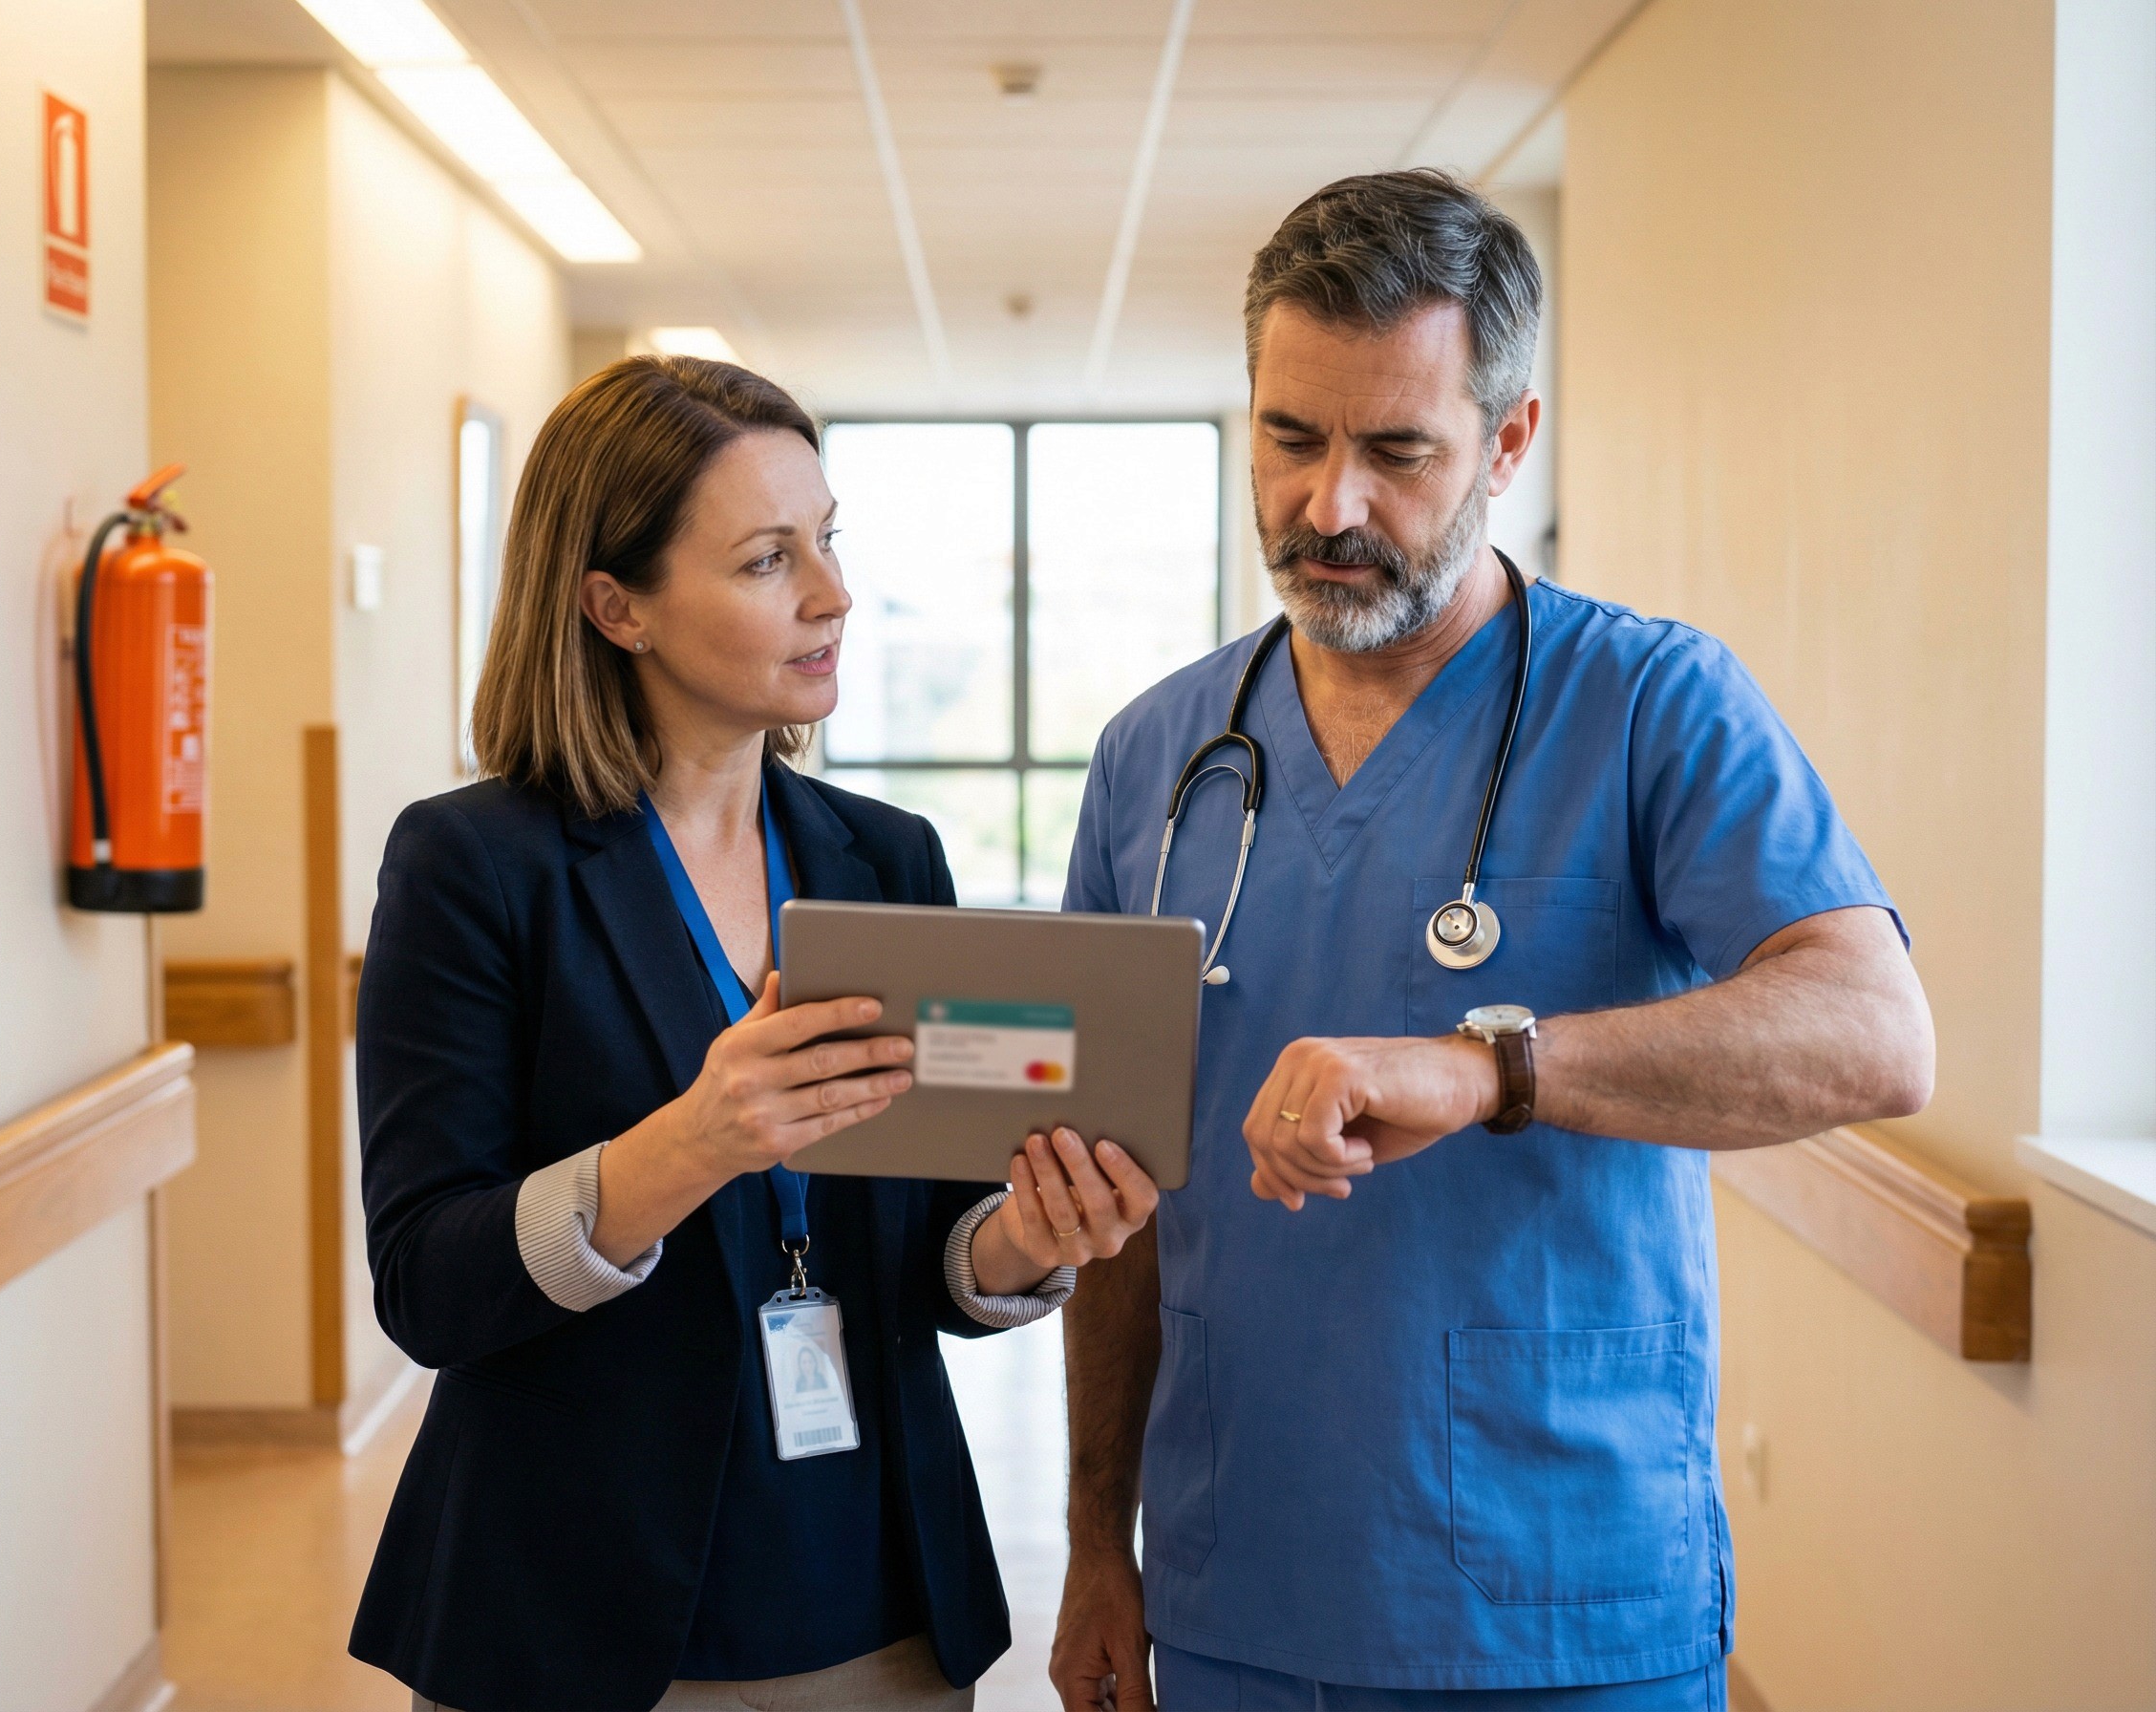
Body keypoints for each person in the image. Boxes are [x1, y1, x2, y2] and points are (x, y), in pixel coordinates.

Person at [1047, 171, 1935, 1712]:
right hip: (1233, 1580)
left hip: (1560, 1601)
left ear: (1509, 441)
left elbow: (1875, 1035)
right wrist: (1092, 1535)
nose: (1331, 505)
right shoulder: (1161, 755)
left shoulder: (1655, 705)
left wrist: (1490, 1068)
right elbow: (1112, 1185)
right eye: (1289, 438)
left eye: (1397, 451)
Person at [347, 356, 1161, 1712]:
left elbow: (938, 1252)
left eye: (828, 542)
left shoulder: (885, 862)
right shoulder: (476, 868)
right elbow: (429, 1283)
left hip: (871, 1593)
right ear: (617, 605)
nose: (833, 596)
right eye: (769, 559)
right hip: (574, 1606)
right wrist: (692, 1144)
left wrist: (1036, 1237)